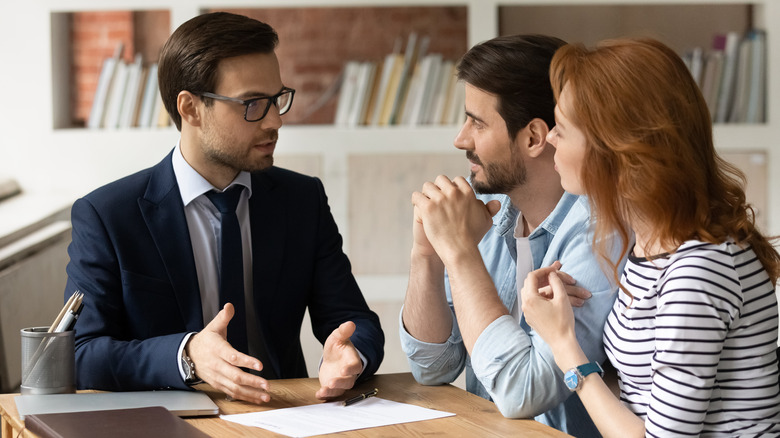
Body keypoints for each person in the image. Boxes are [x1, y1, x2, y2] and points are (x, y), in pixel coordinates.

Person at [65, 12, 384, 404]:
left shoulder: (302, 200)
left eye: (276, 99)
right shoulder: (108, 215)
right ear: (190, 108)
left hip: (286, 414)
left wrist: (352, 355)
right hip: (168, 422)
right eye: (252, 104)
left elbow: (354, 319)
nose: (274, 121)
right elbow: (81, 354)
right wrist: (186, 356)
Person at [521, 37, 780, 437]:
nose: (550, 137)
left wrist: (562, 343)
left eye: (564, 128)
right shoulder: (650, 246)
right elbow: (639, 395)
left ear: (620, 153)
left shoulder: (698, 270)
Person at [400, 34, 625, 436]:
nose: (460, 139)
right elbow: (433, 367)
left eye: (477, 122)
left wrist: (459, 254)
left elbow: (525, 392)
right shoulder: (492, 214)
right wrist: (427, 256)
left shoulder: (600, 234)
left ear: (535, 138)